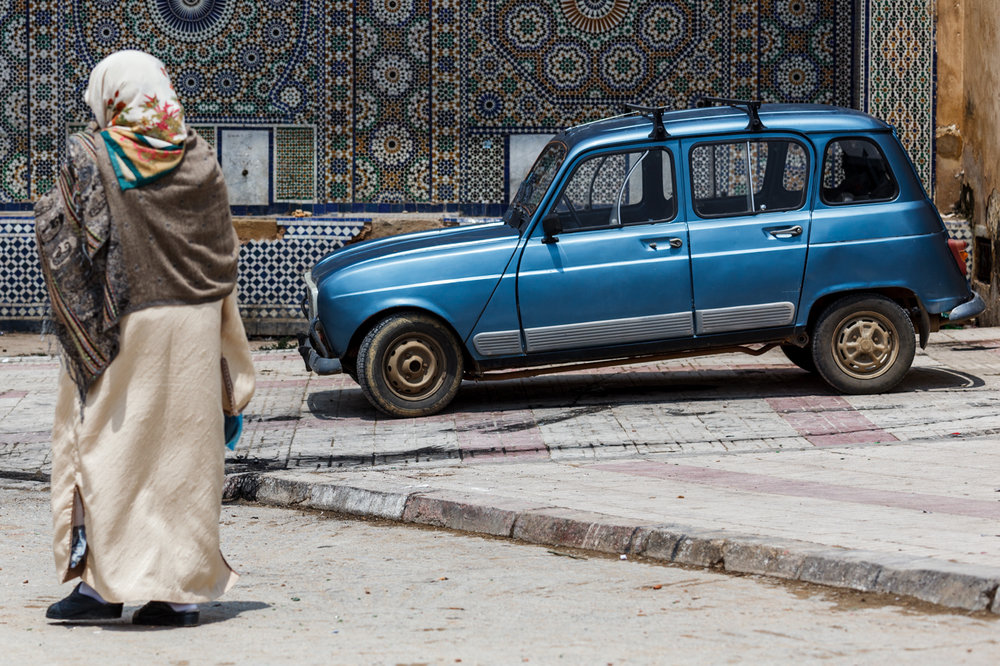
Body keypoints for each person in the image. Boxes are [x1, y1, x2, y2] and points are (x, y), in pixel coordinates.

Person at [34, 50, 255, 627]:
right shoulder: (201, 157)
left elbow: (66, 237)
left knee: (109, 449)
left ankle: (102, 589)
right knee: (183, 458)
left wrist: (80, 334)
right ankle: (177, 595)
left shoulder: (92, 154)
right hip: (196, 325)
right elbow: (223, 250)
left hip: (123, 327)